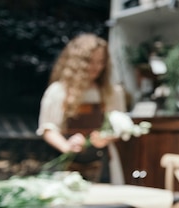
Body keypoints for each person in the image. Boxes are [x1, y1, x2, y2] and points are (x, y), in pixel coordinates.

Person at [37, 33, 126, 184]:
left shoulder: (112, 92)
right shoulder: (58, 91)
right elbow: (48, 129)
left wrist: (105, 137)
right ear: (78, 62)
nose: (96, 67)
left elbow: (120, 127)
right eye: (90, 61)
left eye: (101, 62)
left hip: (102, 161)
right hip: (68, 163)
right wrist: (66, 146)